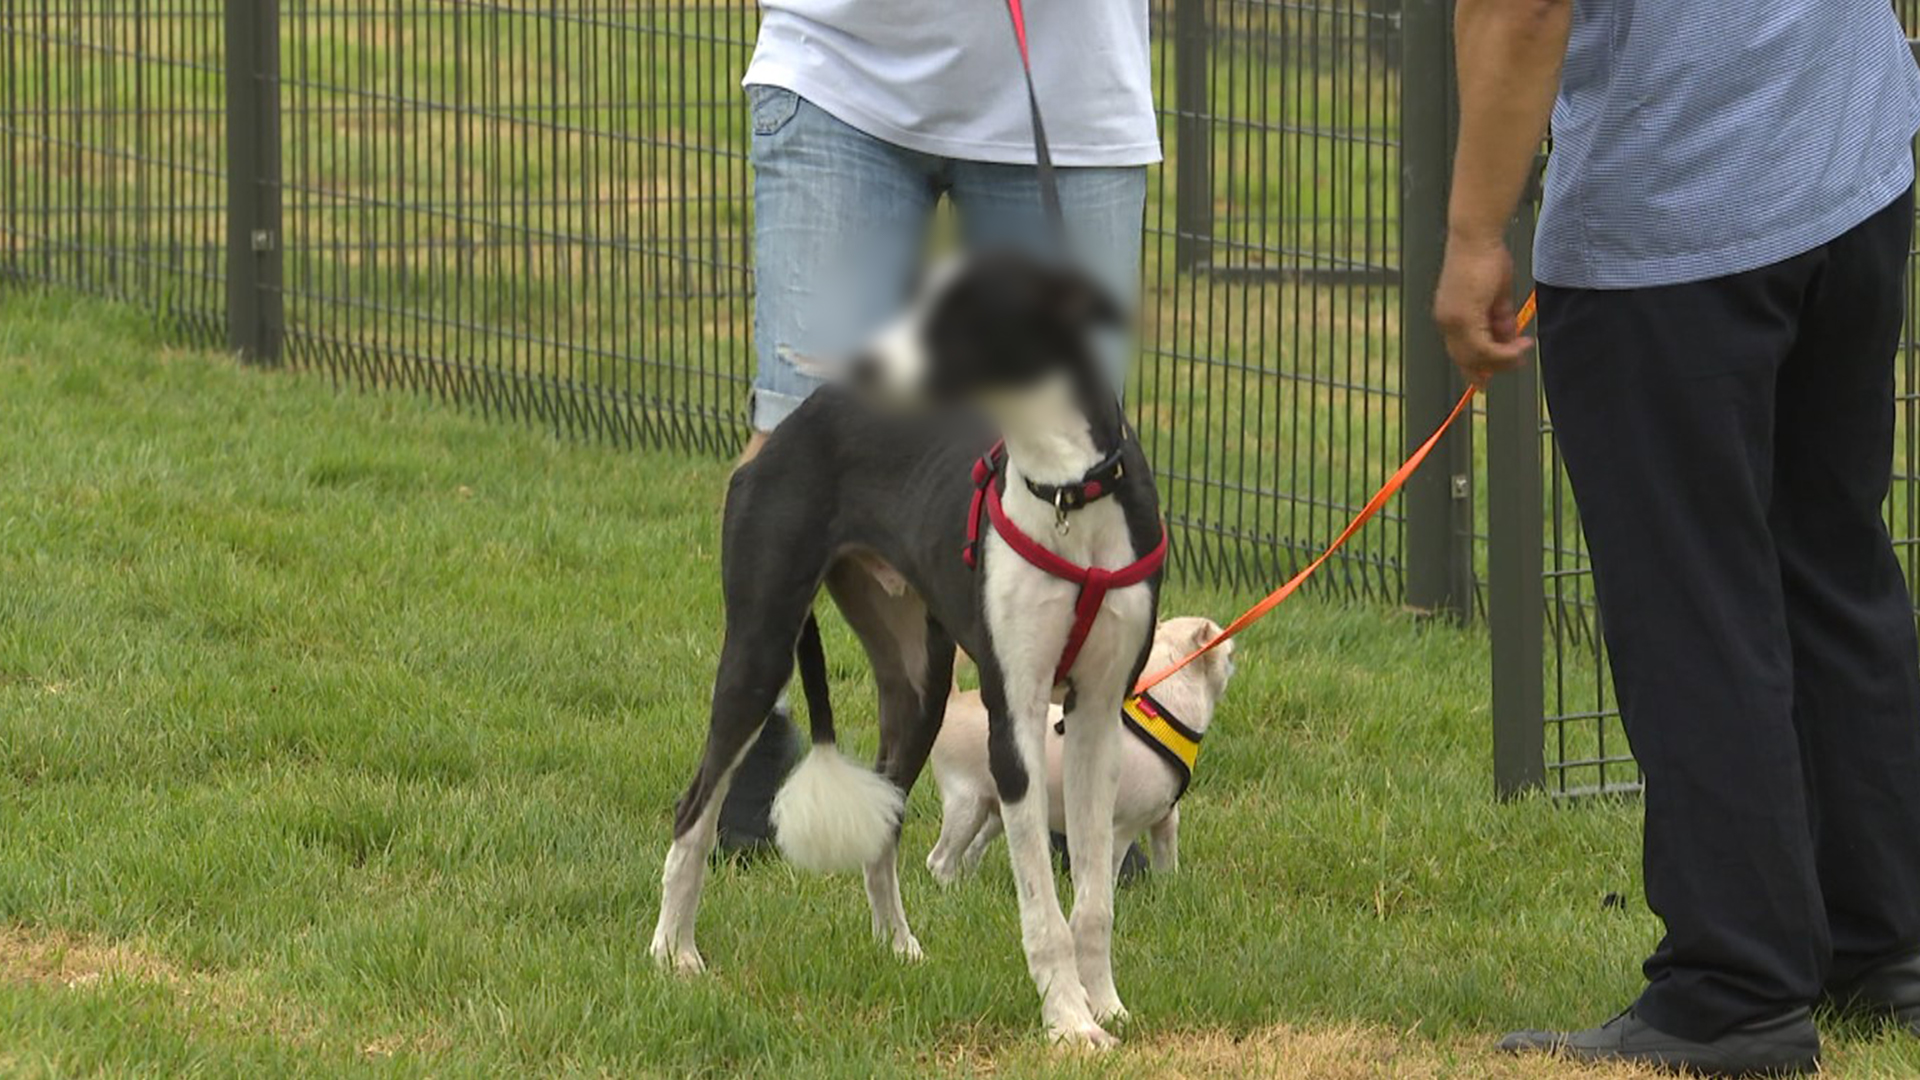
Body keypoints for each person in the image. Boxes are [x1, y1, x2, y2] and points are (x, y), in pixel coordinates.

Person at [1435, 0, 1920, 1073]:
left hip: (1680, 211)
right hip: (1852, 158)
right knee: (1833, 560)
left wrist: (1475, 235)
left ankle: (1734, 988)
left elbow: (1521, 8)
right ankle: (1882, 943)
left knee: (1693, 600)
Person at [715, 0, 1160, 860]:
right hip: (843, 66)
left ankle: (1071, 751)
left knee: (1074, 450)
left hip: (1069, 94)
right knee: (803, 440)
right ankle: (753, 731)